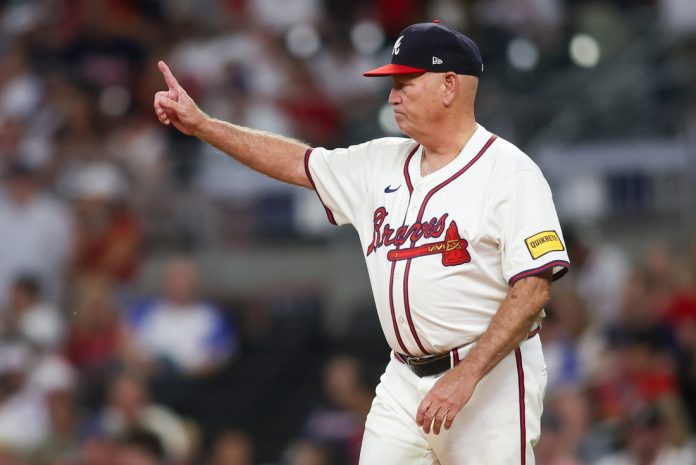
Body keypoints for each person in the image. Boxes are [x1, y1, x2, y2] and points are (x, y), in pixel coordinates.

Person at [154, 20, 570, 465]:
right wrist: (203, 126)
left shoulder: (509, 173)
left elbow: (533, 290)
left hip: (490, 379)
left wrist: (468, 374)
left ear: (449, 85)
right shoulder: (380, 162)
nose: (393, 96)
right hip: (403, 378)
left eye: (405, 83)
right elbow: (297, 161)